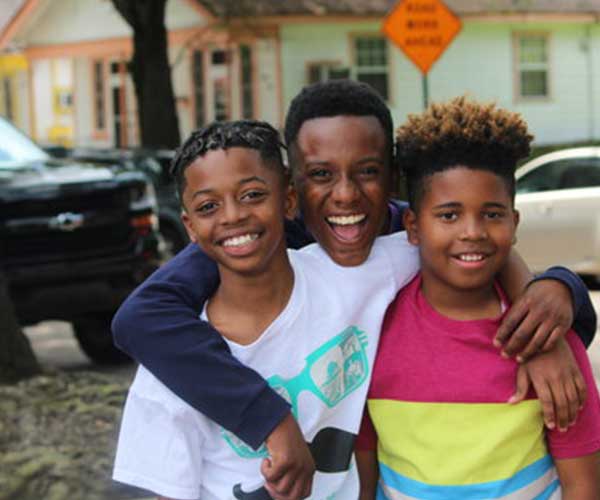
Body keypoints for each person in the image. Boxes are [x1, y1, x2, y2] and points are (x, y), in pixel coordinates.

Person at [112, 81, 596, 498]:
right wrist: (270, 420)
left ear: (392, 177)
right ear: (295, 190)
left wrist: (547, 309)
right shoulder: (253, 240)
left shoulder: (401, 235)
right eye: (321, 174)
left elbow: (473, 245)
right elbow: (140, 319)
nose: (345, 195)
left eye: (367, 171)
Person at [113, 120, 422, 499]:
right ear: (190, 227)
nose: (232, 216)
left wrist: (517, 284)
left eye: (252, 195)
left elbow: (447, 239)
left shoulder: (355, 277)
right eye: (209, 206)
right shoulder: (167, 374)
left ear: (289, 199)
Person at [356, 97, 600, 500]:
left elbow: (584, 486)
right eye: (449, 215)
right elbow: (363, 477)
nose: (473, 232)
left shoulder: (546, 338)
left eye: (492, 214)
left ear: (514, 222)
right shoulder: (375, 330)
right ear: (413, 227)